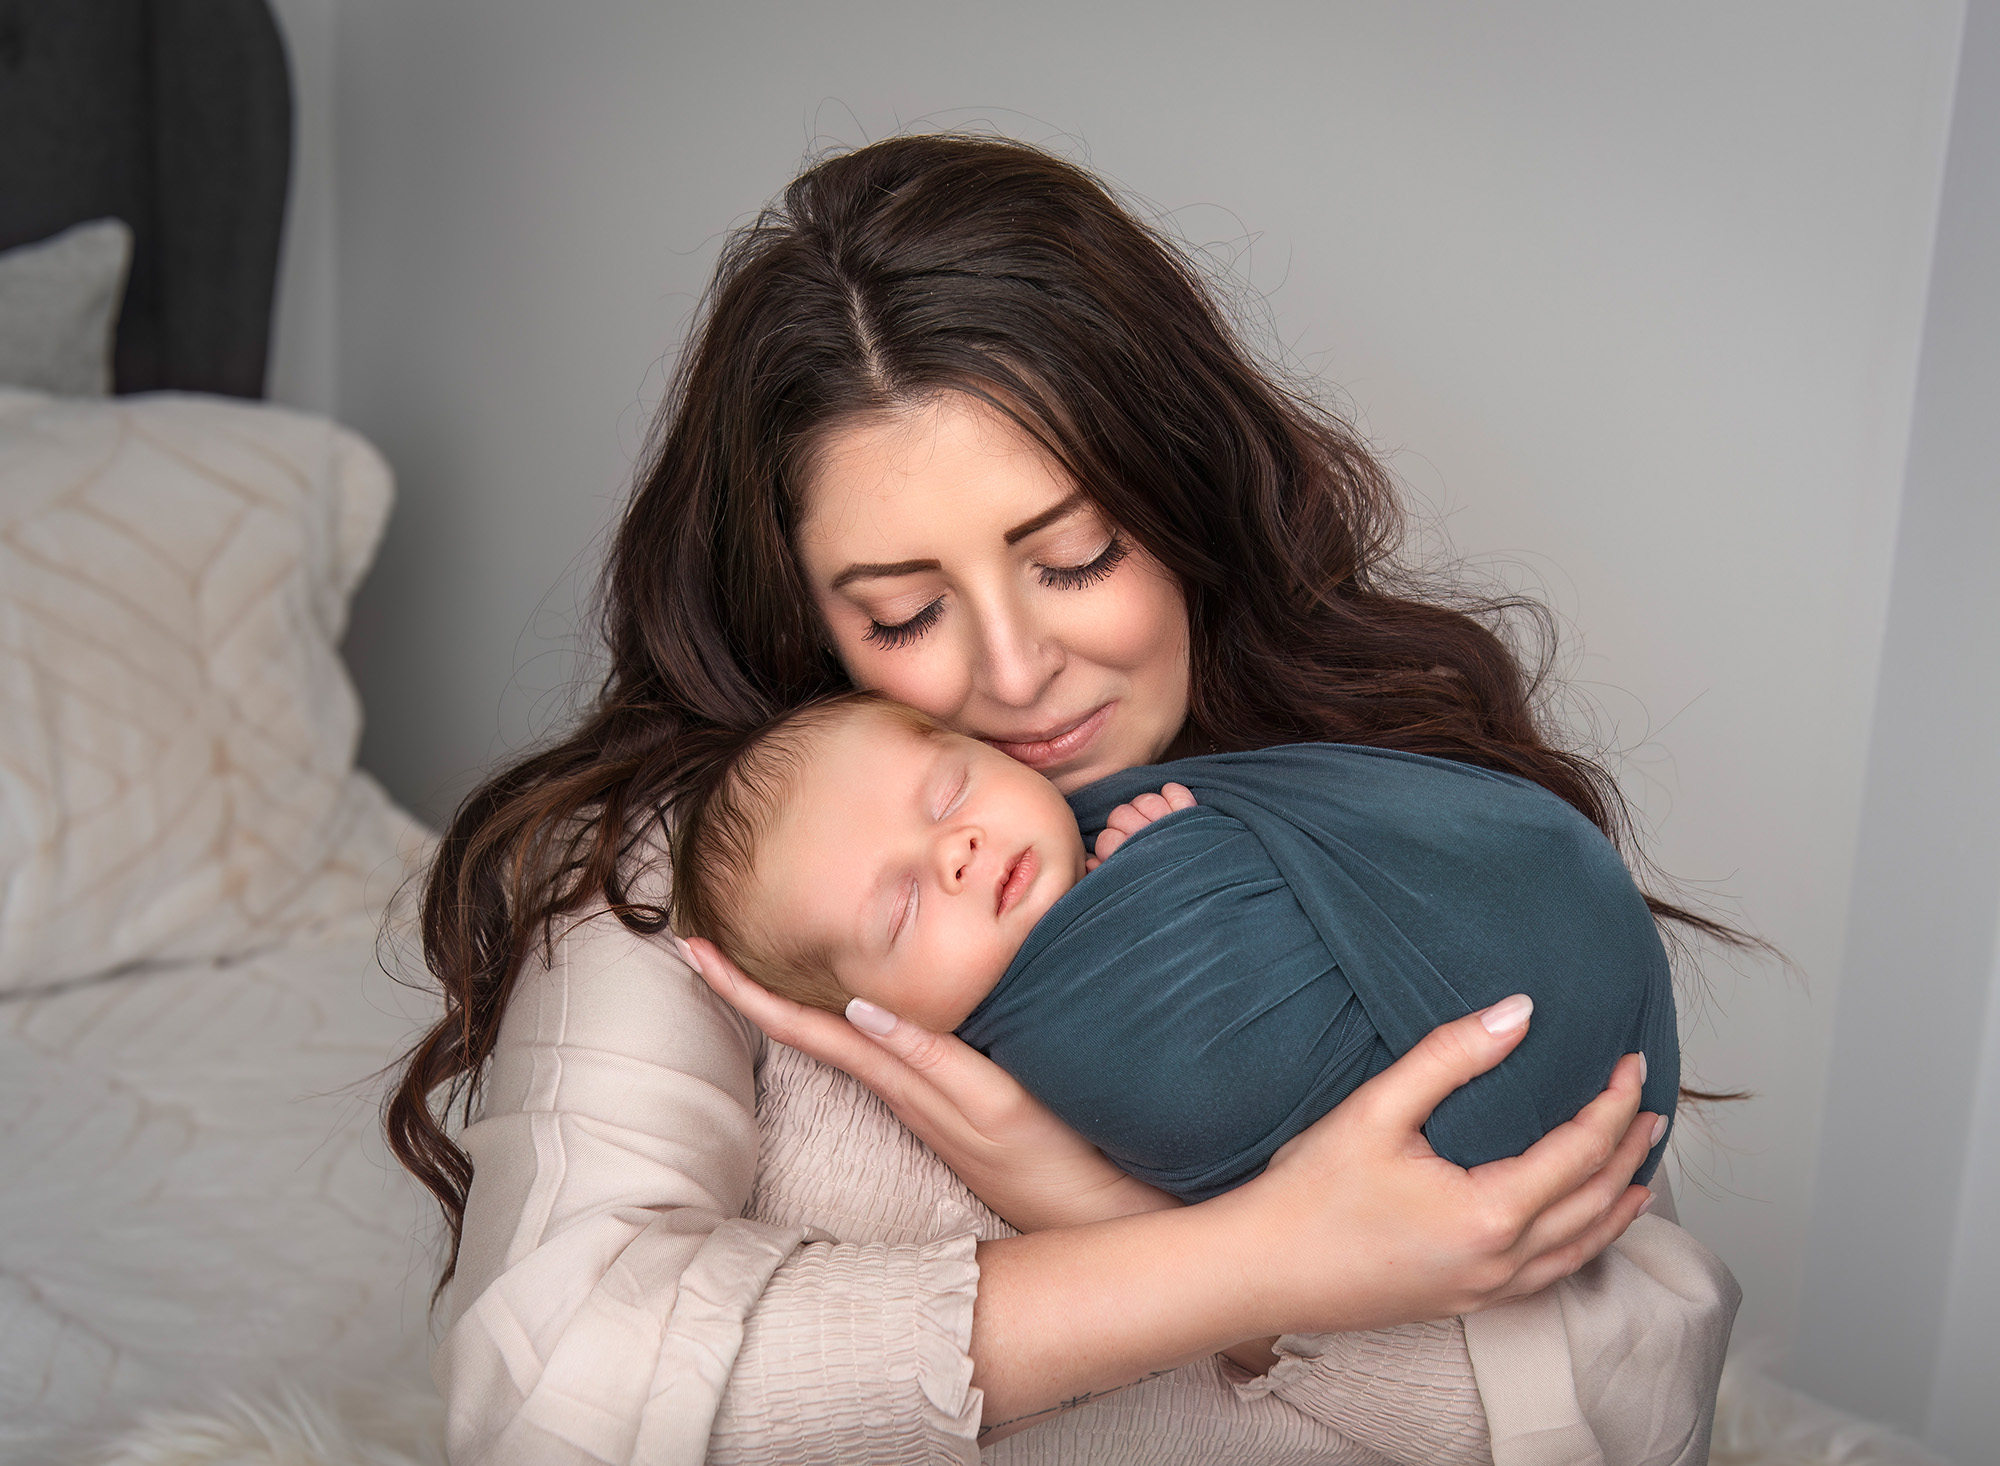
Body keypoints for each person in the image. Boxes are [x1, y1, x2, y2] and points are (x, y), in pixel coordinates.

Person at [386, 133, 1739, 1465]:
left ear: (1186, 495)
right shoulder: (680, 874)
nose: (1019, 673)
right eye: (907, 610)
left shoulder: (1384, 783)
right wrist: (1242, 1261)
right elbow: (546, 1395)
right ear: (804, 610)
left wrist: (1095, 1205)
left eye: (1078, 556)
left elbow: (1635, 1399)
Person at [667, 690, 1680, 1204]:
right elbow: (1193, 1083)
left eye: (950, 790)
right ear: (870, 1016)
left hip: (1568, 1009)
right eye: (897, 912)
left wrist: (1166, 858)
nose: (959, 851)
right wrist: (1179, 866)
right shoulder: (1041, 1047)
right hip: (1500, 1120)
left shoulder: (1111, 801)